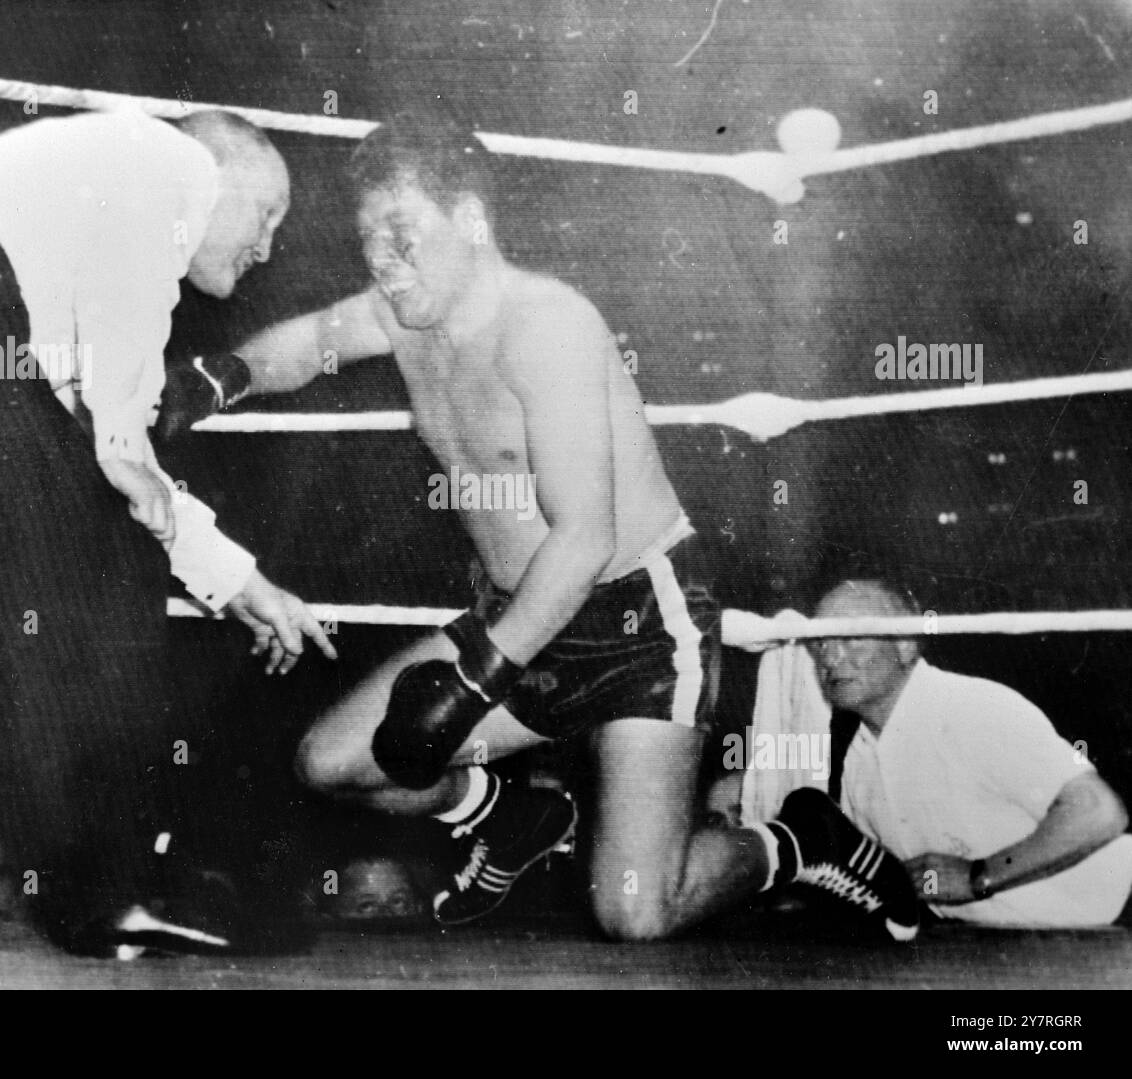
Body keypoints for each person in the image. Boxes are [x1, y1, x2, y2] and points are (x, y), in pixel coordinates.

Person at [160, 112, 921, 941]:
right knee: (329, 761)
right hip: (517, 618)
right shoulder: (402, 317)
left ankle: (797, 841)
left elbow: (586, 537)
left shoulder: (546, 325)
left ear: (473, 222)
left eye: (403, 231)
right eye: (368, 235)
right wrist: (223, 375)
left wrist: (477, 679)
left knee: (635, 909)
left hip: (635, 625)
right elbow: (309, 342)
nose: (383, 257)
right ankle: (507, 812)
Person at [0, 108, 334, 954]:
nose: (269, 247)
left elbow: (83, 445)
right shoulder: (168, 161)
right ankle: (113, 891)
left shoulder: (69, 217)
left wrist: (229, 573)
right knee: (103, 576)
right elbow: (118, 449)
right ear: (224, 172)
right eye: (269, 214)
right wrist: (153, 481)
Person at [809, 578, 1132, 927]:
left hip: (1117, 921)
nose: (830, 656)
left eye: (851, 637)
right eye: (821, 641)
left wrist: (978, 876)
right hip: (1010, 947)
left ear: (905, 644)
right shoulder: (859, 756)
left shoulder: (974, 708)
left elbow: (1098, 812)